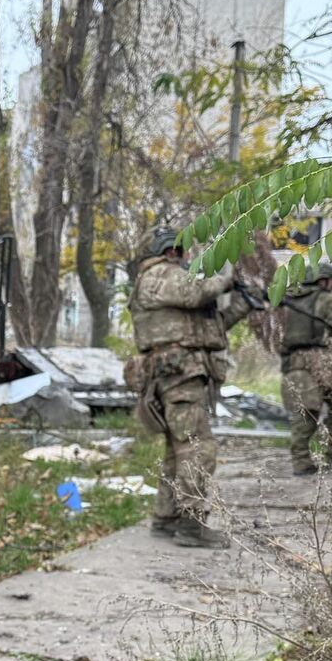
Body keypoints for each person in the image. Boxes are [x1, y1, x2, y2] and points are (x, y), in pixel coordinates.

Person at [129, 226, 251, 549]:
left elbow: (209, 329)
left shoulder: (167, 285)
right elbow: (197, 292)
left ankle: (166, 518)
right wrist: (227, 273)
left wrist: (244, 303)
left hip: (182, 372)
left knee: (178, 449)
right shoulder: (158, 275)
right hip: (178, 375)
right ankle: (191, 524)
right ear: (170, 251)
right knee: (198, 447)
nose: (186, 259)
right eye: (182, 252)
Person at [278, 261, 332, 475]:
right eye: (331, 279)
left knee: (304, 414)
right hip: (327, 362)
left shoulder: (285, 303)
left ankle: (301, 462)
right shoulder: (327, 301)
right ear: (323, 281)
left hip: (295, 364)